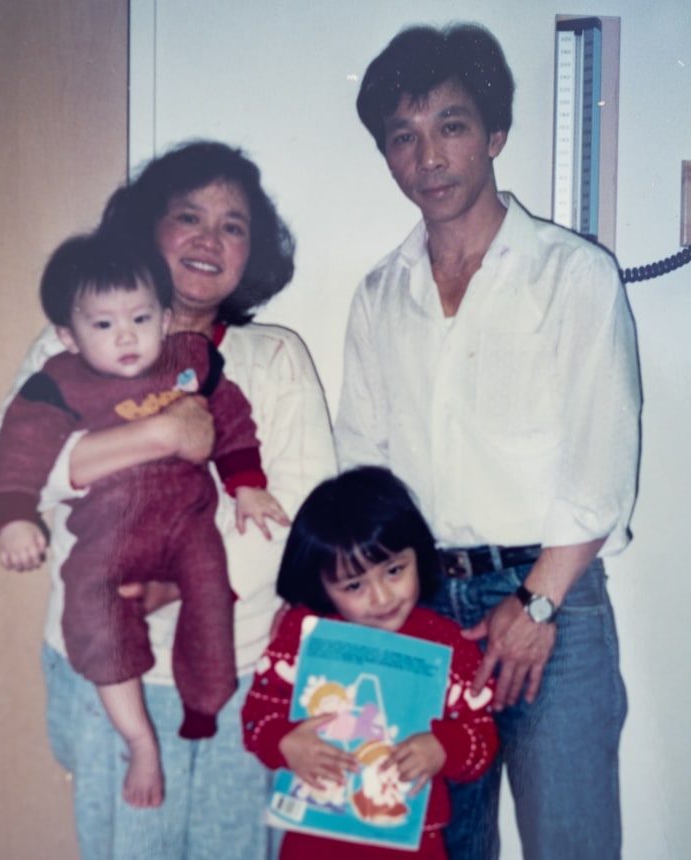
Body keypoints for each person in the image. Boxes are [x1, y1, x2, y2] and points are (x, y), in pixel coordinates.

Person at [0, 140, 336, 859]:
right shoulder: (74, 348)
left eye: (233, 224)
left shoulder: (275, 358)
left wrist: (171, 581)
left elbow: (300, 519)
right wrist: (162, 433)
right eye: (188, 216)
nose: (209, 238)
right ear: (146, 229)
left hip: (242, 674)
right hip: (113, 670)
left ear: (251, 251)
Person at [334, 24, 641, 860]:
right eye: (403, 136)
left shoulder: (573, 276)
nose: (427, 155)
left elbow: (600, 459)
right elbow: (363, 471)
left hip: (553, 602)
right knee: (434, 846)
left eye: (451, 125)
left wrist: (538, 603)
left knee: (569, 844)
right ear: (387, 157)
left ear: (496, 134)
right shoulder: (377, 296)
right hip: (419, 603)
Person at [0, 229, 290, 808]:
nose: (126, 336)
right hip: (107, 532)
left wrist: (247, 486)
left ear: (166, 316)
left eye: (141, 319)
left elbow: (231, 420)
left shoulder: (190, 360)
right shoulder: (59, 381)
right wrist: (15, 516)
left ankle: (205, 703)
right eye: (103, 325)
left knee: (209, 593)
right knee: (92, 610)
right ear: (67, 336)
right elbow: (18, 448)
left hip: (186, 523)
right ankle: (138, 736)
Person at [242, 466, 498, 860]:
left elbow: (482, 737)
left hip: (412, 839)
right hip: (315, 837)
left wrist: (444, 748)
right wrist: (284, 741)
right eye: (354, 585)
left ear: (419, 555)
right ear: (322, 585)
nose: (381, 598)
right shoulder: (302, 638)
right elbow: (256, 715)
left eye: (394, 571)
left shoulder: (448, 644)